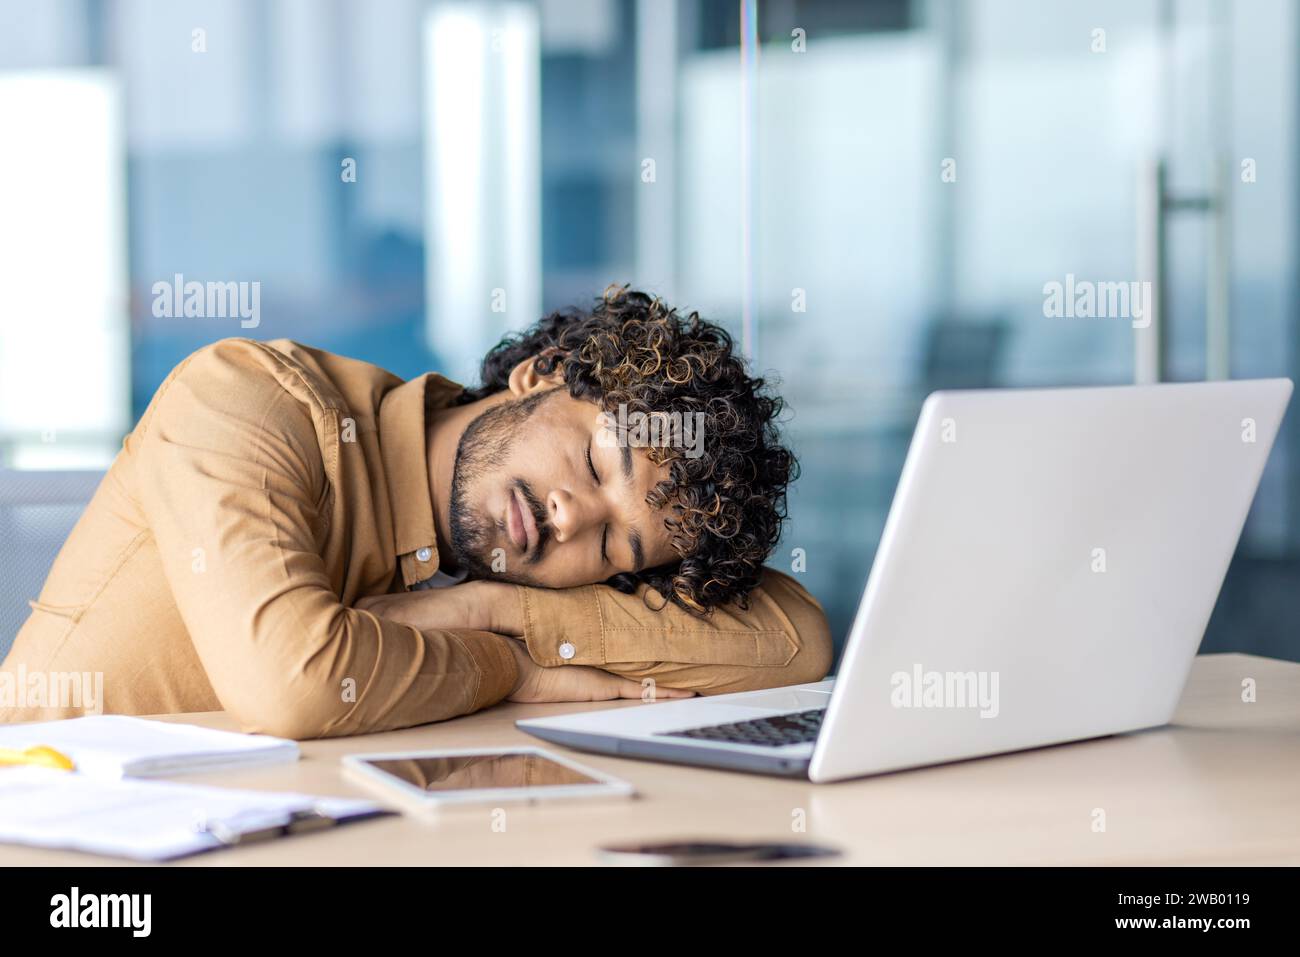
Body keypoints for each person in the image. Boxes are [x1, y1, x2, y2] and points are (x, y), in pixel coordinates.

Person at [0, 286, 831, 737]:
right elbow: (297, 686)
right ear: (540, 376)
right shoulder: (247, 400)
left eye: (618, 543)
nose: (573, 517)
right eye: (590, 462)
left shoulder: (500, 570)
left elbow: (791, 639)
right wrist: (509, 666)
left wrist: (486, 609)